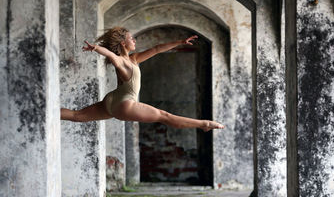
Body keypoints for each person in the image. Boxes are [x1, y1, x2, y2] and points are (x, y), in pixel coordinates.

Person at [61, 27, 224, 132]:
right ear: (123, 43)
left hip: (112, 100)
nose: (135, 41)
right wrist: (96, 48)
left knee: (77, 115)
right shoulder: (122, 62)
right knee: (164, 116)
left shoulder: (134, 59)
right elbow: (111, 55)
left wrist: (180, 42)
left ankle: (48, 110)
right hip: (124, 104)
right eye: (132, 39)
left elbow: (157, 49)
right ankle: (205, 124)